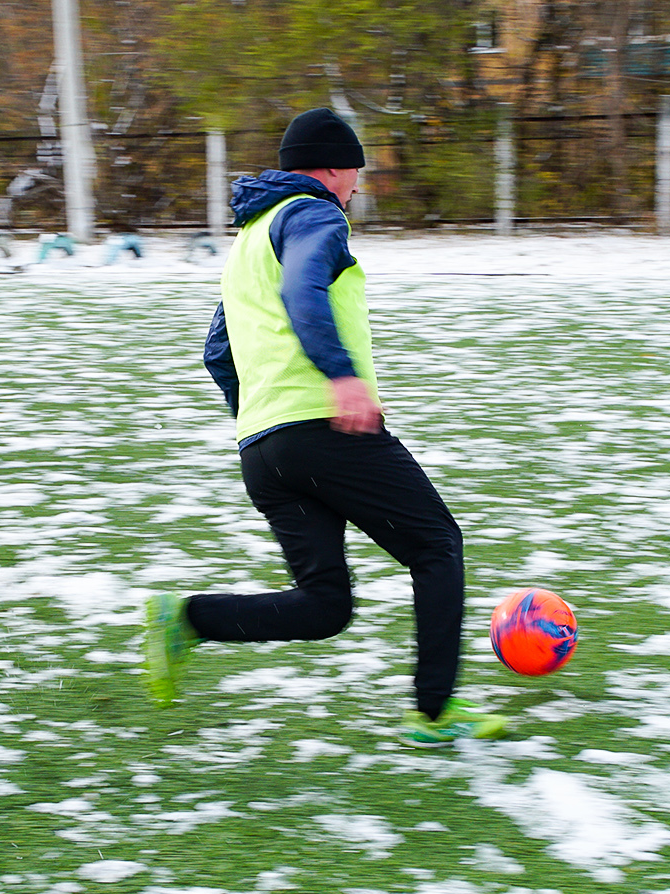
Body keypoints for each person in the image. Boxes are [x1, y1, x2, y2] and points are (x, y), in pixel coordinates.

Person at [142, 107, 507, 750]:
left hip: (263, 446)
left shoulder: (248, 239)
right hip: (323, 426)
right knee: (436, 546)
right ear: (334, 167)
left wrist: (259, 419)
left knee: (325, 604)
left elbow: (216, 352)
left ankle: (190, 617)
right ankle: (433, 711)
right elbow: (304, 293)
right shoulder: (314, 214)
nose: (357, 187)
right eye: (355, 172)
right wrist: (341, 377)